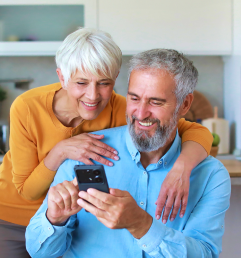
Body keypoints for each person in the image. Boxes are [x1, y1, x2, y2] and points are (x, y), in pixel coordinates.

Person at [0, 29, 213, 257]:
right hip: (11, 220)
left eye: (104, 83)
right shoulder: (27, 107)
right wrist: (60, 152)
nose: (93, 96)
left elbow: (195, 130)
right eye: (81, 83)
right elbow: (28, 191)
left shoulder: (124, 108)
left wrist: (182, 168)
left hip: (72, 226)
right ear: (62, 77)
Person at [26, 49, 231, 258]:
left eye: (156, 102)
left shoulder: (210, 176)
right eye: (134, 98)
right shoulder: (84, 152)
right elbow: (39, 252)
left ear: (185, 104)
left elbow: (205, 254)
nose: (140, 114)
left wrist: (141, 225)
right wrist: (54, 219)